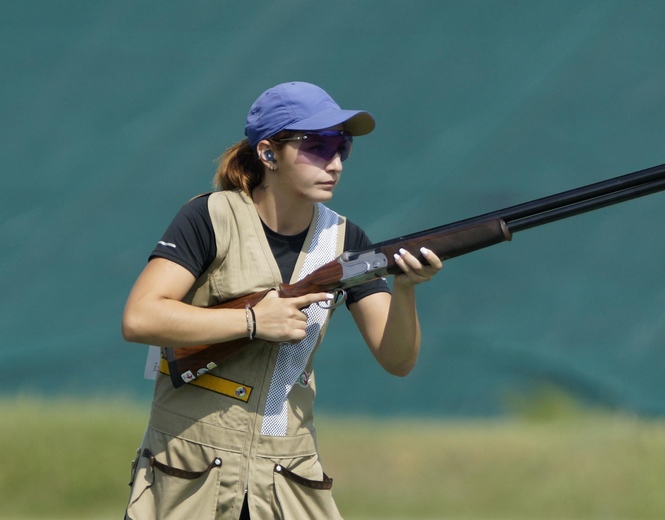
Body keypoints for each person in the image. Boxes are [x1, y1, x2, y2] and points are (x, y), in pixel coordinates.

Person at [121, 81, 442, 519]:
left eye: (342, 147)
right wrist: (253, 322)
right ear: (269, 154)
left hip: (287, 481)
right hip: (188, 476)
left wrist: (405, 289)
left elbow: (397, 360)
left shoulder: (346, 240)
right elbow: (140, 317)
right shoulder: (209, 217)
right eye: (317, 145)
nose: (334, 162)